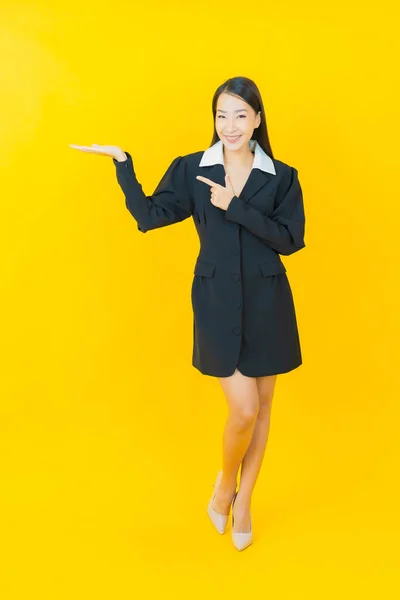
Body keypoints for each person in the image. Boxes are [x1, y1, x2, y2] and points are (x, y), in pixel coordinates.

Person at [70, 76, 306, 551]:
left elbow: (290, 240)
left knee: (262, 411)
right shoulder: (194, 169)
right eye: (222, 115)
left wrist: (236, 208)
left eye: (241, 114)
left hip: (268, 299)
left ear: (258, 119)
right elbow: (149, 217)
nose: (230, 125)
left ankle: (244, 502)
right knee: (242, 410)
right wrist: (123, 165)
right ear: (214, 119)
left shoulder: (282, 175)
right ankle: (224, 485)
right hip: (217, 299)